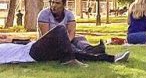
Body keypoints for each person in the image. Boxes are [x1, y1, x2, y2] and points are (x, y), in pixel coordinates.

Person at [0, 25, 129, 66]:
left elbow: (21, 41)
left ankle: (111, 58)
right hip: (31, 53)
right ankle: (69, 60)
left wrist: (10, 39)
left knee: (75, 52)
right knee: (60, 29)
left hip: (31, 48)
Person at [38, 0, 110, 60]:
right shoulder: (44, 14)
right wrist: (65, 44)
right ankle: (91, 55)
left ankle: (91, 49)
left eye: (57, 3)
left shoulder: (69, 14)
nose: (54, 5)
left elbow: (71, 33)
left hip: (65, 40)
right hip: (50, 44)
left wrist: (66, 42)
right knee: (71, 48)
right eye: (52, 2)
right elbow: (46, 36)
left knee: (79, 38)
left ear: (63, 5)